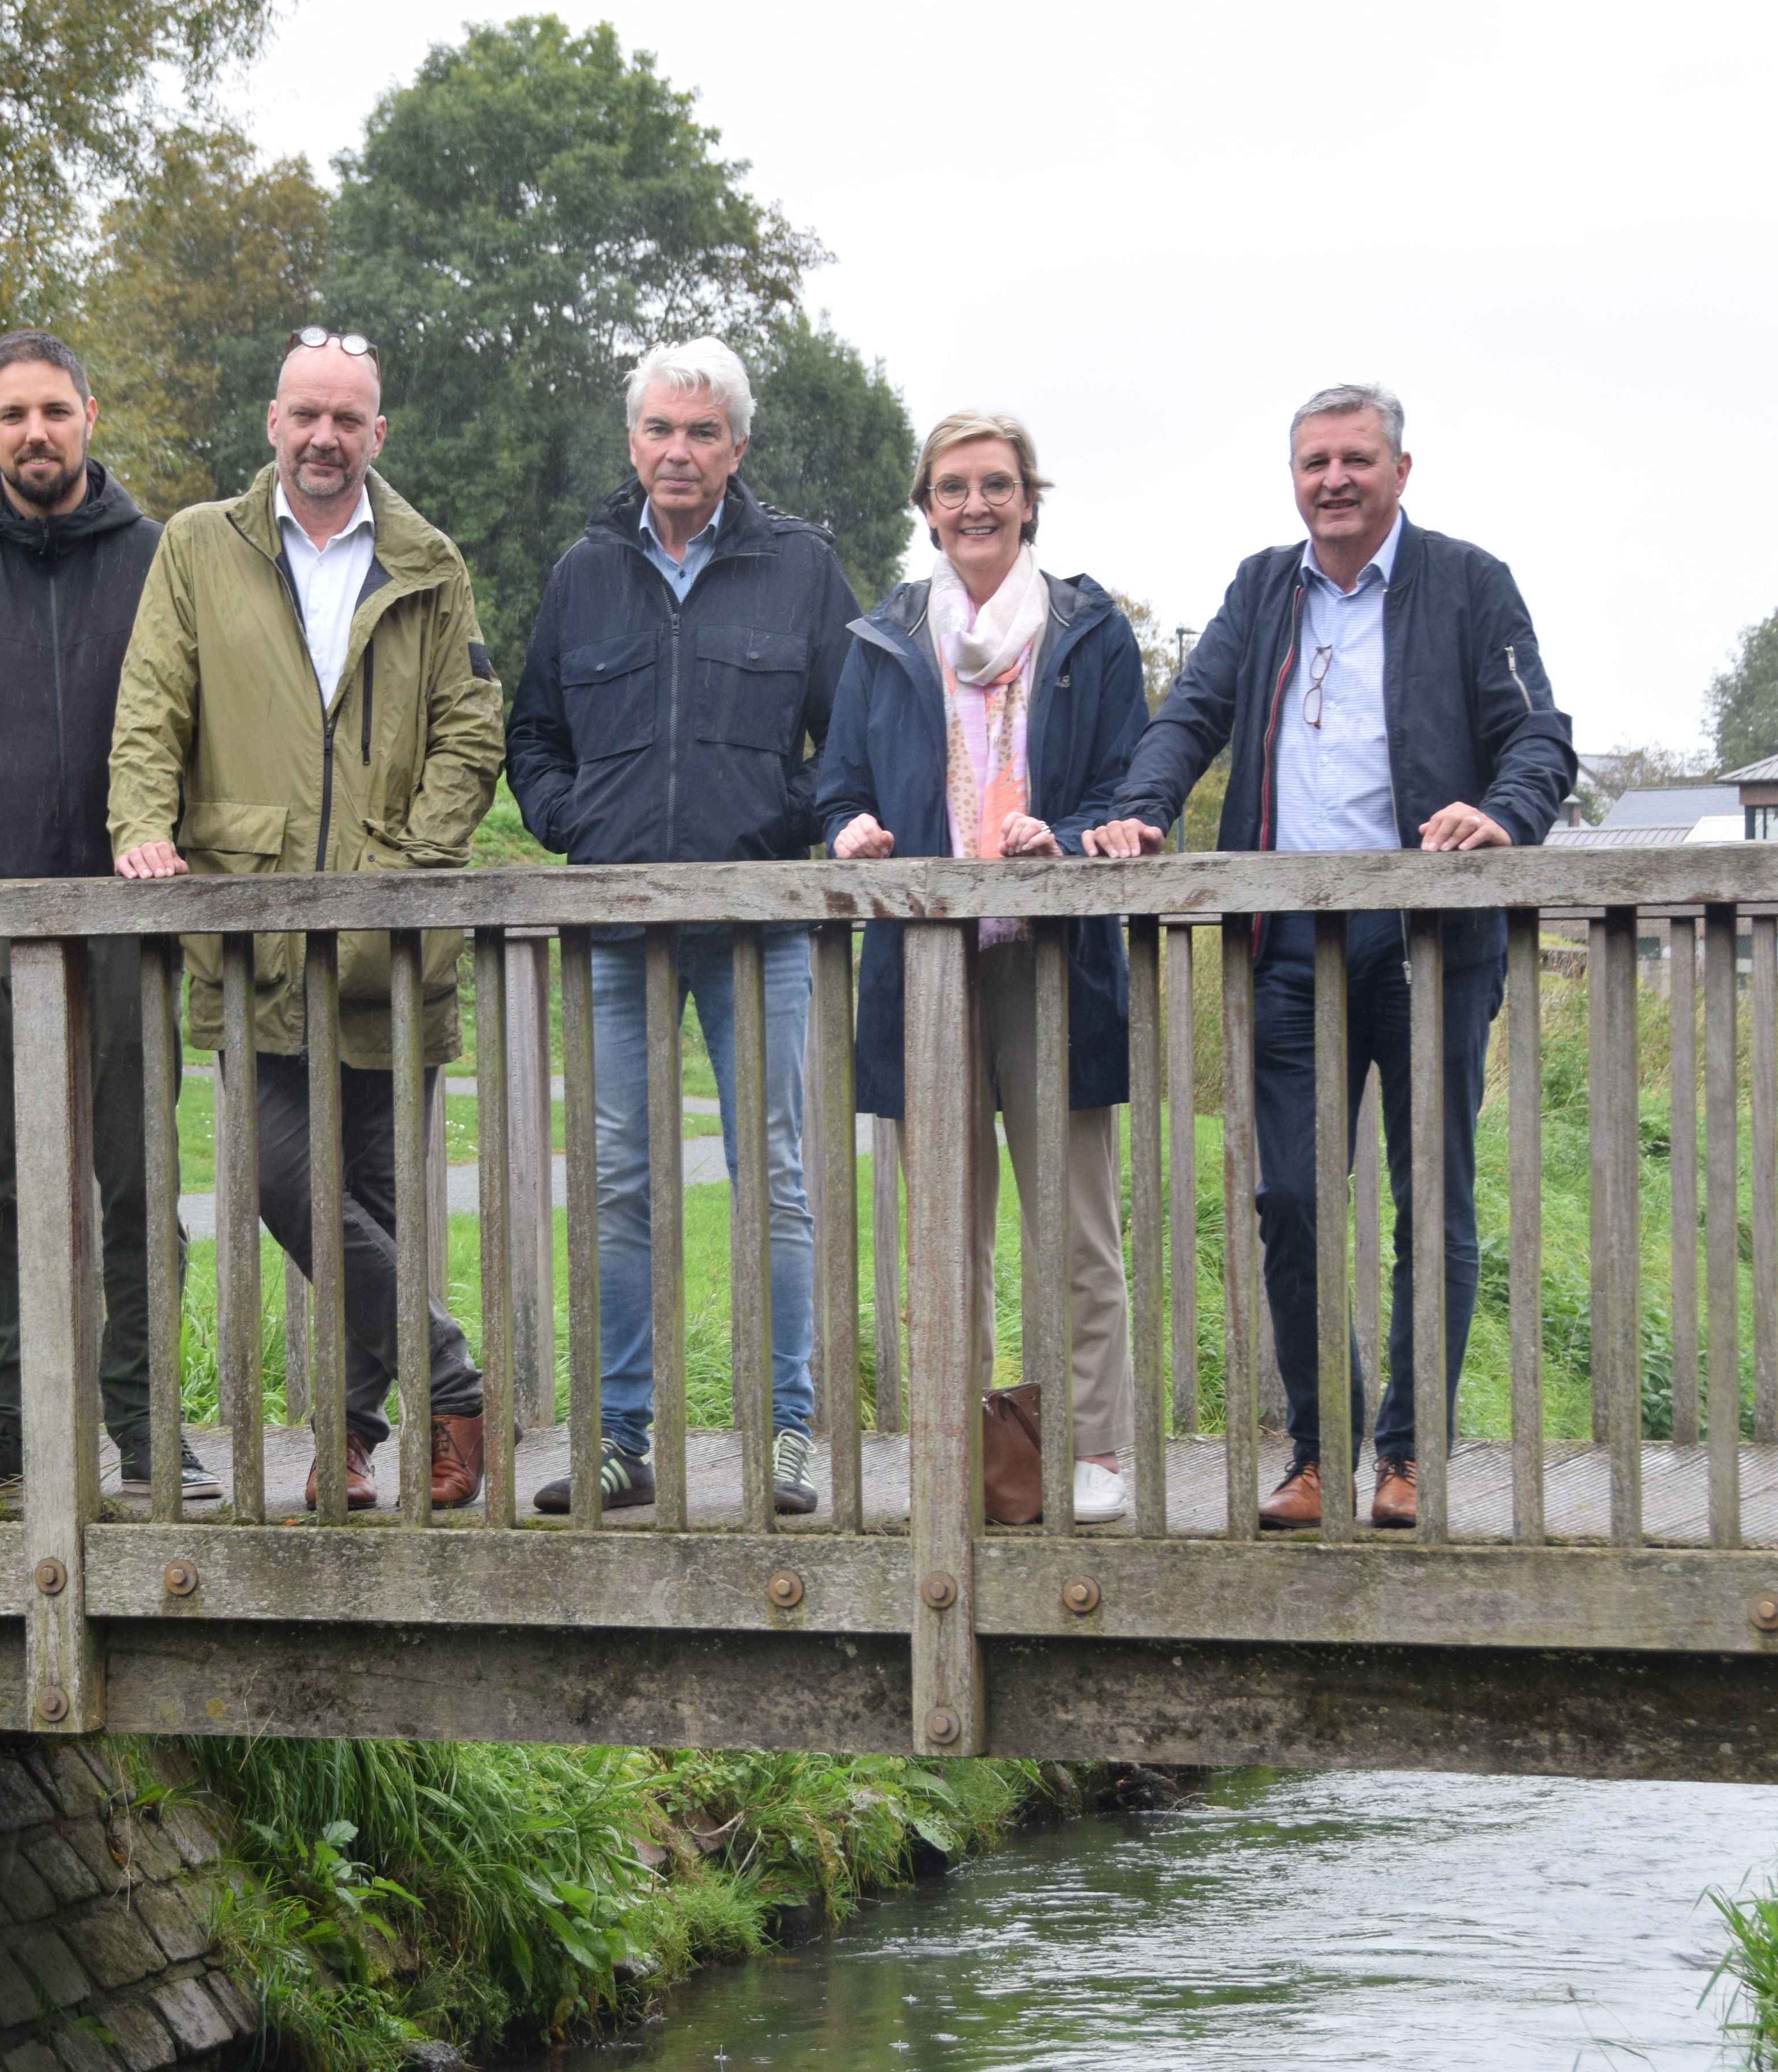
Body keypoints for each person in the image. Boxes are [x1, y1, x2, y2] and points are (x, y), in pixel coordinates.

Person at [1085, 384, 1577, 1528]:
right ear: (1294, 477)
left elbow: (1539, 734)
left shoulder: (1468, 584)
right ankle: (1319, 1451)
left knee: (1431, 1198)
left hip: (1425, 940)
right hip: (1290, 942)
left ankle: (1407, 1457)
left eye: (1357, 458)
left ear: (1402, 471)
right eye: (1315, 462)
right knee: (1291, 1196)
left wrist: (1500, 814)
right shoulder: (1263, 590)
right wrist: (1141, 809)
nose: (1335, 479)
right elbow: (1189, 714)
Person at [108, 326, 504, 1512]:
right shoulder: (196, 546)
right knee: (282, 1178)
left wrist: (412, 862)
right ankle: (454, 1376)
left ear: (377, 434)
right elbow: (150, 706)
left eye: (348, 418)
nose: (324, 436)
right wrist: (142, 821)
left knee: (371, 1204)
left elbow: (470, 729)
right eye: (305, 414)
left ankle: (352, 1443)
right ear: (272, 424)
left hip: (394, 945)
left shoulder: (431, 562)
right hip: (254, 928)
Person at [504, 337, 857, 1516]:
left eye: (704, 432)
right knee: (615, 1182)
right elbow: (534, 734)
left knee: (779, 1178)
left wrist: (781, 826)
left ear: (739, 448)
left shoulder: (800, 568)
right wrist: (575, 825)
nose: (680, 451)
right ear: (633, 441)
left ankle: (787, 1439)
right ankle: (620, 1440)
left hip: (759, 928)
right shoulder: (582, 574)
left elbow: (849, 738)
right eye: (661, 429)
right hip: (615, 930)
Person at [0, 329, 213, 1505]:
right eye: (14, 414)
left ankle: (149, 1430)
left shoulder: (163, 558)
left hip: (128, 927)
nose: (37, 433)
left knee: (138, 1189)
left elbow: (194, 729)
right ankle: (7, 1428)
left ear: (91, 413)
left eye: (56, 411)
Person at [819, 412, 1144, 1523]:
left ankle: (1093, 1446)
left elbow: (1124, 787)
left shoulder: (1089, 633)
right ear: (927, 507)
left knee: (1078, 1228)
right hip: (926, 967)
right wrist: (852, 829)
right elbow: (838, 788)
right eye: (953, 487)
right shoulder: (884, 638)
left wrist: (1069, 829)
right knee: (942, 1236)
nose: (975, 505)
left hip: (1056, 964)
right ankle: (961, 1449)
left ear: (1029, 499)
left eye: (995, 484)